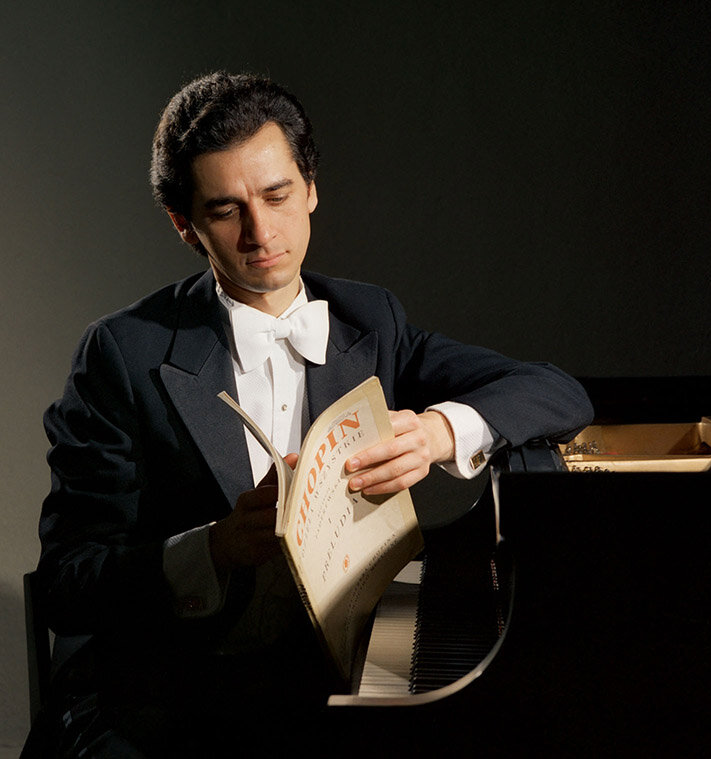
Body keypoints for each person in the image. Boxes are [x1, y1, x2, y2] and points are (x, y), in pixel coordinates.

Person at [23, 72, 593, 757]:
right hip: (167, 693)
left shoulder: (370, 320)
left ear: (311, 188)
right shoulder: (121, 353)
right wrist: (214, 547)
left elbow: (557, 393)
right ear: (184, 223)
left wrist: (439, 431)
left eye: (277, 195)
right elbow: (66, 585)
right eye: (226, 209)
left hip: (320, 681)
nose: (261, 232)